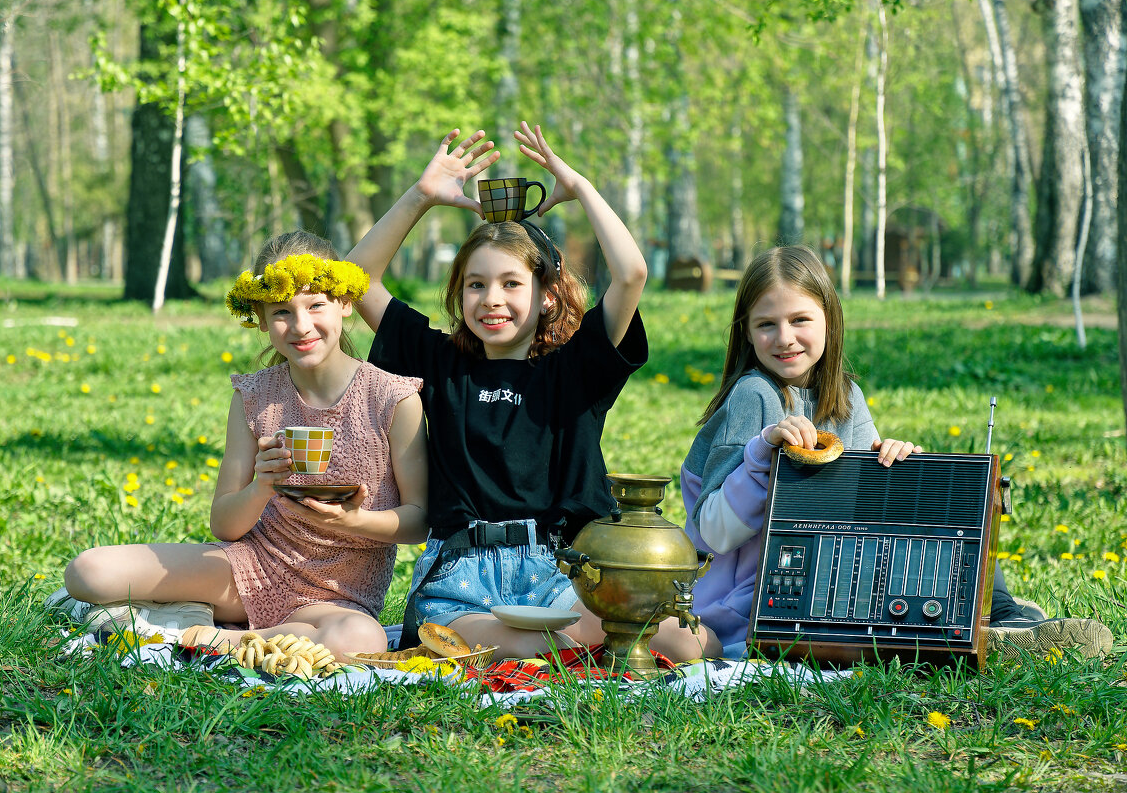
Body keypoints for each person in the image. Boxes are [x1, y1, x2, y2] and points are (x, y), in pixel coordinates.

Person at [654, 245, 1111, 663]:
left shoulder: (845, 396)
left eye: (800, 320)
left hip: (828, 579)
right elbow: (711, 532)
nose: (784, 337)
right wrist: (761, 452)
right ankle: (987, 629)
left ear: (829, 320)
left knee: (949, 503)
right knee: (890, 643)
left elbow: (864, 511)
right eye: (766, 324)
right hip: (760, 597)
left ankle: (1002, 618)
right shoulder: (753, 395)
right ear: (747, 333)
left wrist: (894, 464)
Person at [346, 123, 648, 658]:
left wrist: (580, 188)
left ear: (548, 295)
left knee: (680, 640)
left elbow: (631, 274)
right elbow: (357, 278)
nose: (492, 299)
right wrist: (420, 197)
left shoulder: (575, 370)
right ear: (458, 294)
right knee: (523, 642)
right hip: (460, 580)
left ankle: (561, 646)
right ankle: (549, 649)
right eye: (476, 284)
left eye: (512, 283)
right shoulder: (440, 363)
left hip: (559, 571)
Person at [51, 231, 429, 658]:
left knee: (362, 641)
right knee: (88, 572)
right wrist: (260, 487)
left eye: (315, 305)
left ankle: (204, 634)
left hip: (338, 597)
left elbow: (417, 521)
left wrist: (355, 521)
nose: (301, 325)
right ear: (262, 319)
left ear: (344, 303)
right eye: (282, 312)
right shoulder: (255, 395)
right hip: (250, 569)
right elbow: (224, 525)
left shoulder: (393, 398)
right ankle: (236, 625)